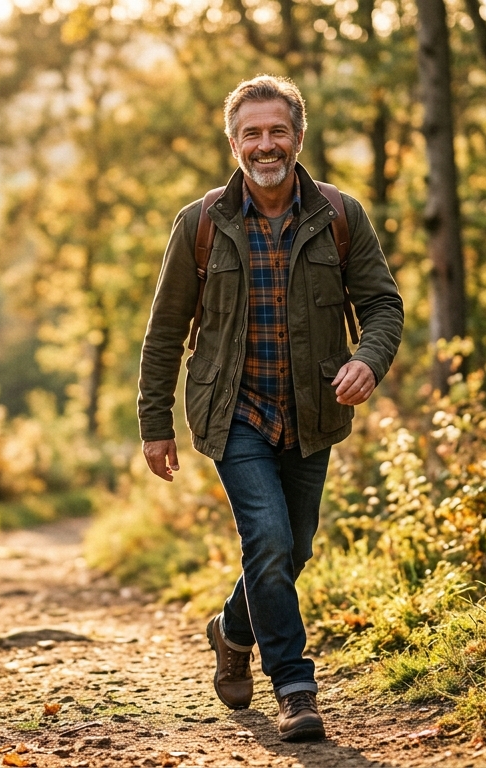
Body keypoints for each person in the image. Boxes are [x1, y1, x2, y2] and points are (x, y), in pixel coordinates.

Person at [136, 75, 404, 742]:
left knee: (294, 548)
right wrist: (154, 424)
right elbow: (165, 331)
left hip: (313, 412)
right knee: (269, 539)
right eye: (251, 133)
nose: (265, 144)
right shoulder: (199, 224)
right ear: (233, 143)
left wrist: (367, 360)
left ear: (299, 138)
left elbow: (382, 306)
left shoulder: (340, 216)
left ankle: (231, 631)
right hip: (232, 414)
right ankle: (295, 688)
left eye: (277, 131)